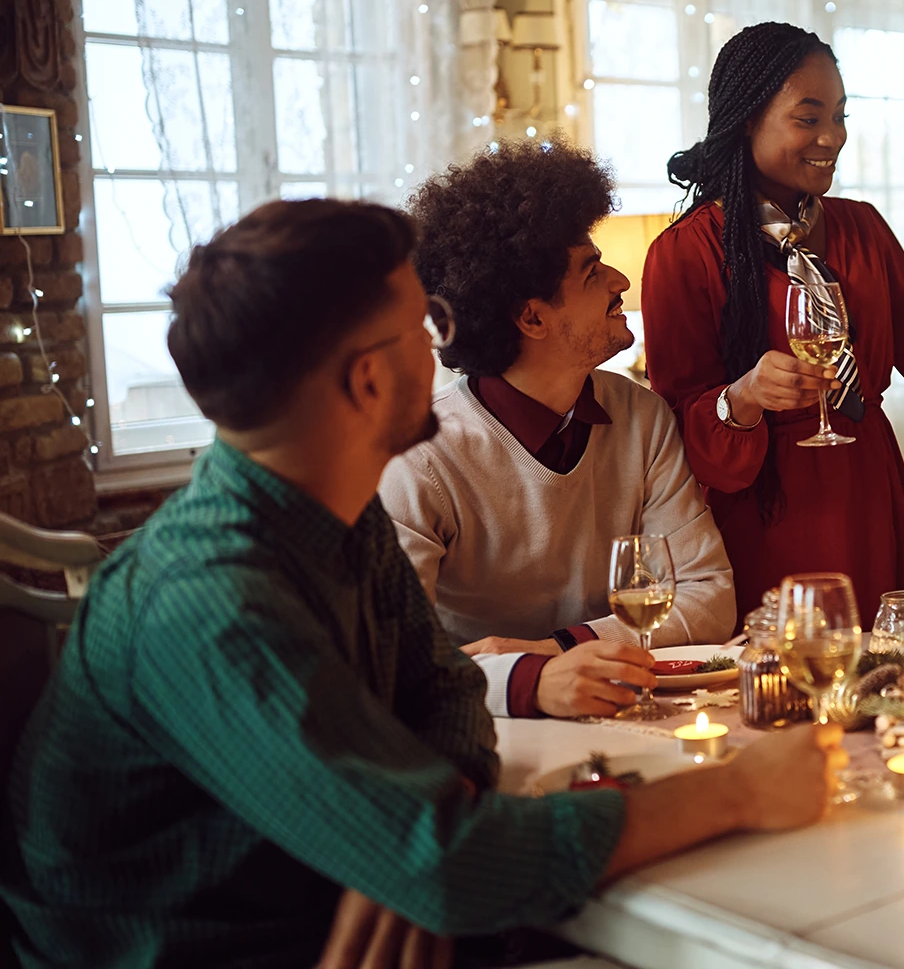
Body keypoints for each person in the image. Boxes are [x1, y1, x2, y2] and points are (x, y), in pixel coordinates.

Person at [1, 200, 839, 968]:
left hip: (329, 914)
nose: (447, 344)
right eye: (423, 325)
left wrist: (405, 851)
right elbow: (445, 860)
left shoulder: (337, 513)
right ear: (367, 379)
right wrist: (735, 792)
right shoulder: (206, 601)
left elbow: (440, 693)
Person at [642, 21, 904, 625]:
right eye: (809, 117)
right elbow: (679, 424)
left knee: (885, 683)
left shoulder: (862, 227)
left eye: (841, 116)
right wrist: (742, 397)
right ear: (746, 120)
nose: (832, 138)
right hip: (764, 510)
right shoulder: (685, 253)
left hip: (868, 489)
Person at [382, 139, 733, 720]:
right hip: (487, 732)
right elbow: (391, 657)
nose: (622, 279)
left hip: (625, 712)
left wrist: (556, 650)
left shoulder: (642, 416)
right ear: (533, 317)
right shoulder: (421, 458)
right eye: (593, 271)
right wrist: (529, 680)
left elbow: (709, 597)